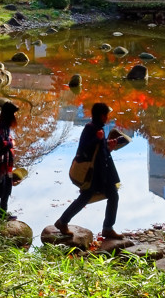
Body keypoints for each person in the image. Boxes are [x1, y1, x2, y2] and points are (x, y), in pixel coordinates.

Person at [54, 102, 123, 240]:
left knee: (113, 195)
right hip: (93, 174)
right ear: (102, 116)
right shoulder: (90, 128)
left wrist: (108, 146)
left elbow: (98, 151)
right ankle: (62, 222)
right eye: (106, 115)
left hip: (101, 172)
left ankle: (108, 228)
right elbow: (84, 148)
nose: (107, 118)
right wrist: (97, 139)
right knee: (85, 198)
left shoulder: (99, 129)